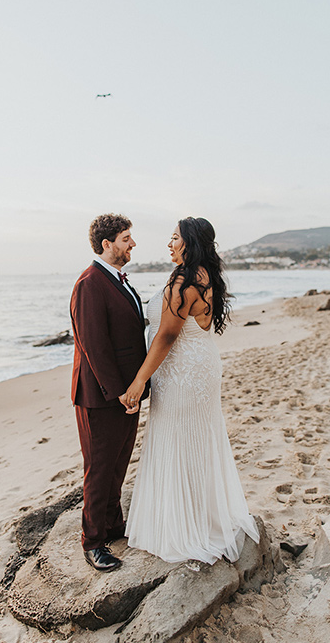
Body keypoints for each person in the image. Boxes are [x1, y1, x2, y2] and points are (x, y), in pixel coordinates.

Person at [120, 217, 259, 564]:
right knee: (195, 438)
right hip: (198, 366)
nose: (169, 245)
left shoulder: (185, 279)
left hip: (184, 373)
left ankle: (187, 526)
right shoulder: (203, 274)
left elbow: (167, 335)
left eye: (174, 239)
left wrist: (138, 381)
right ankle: (200, 515)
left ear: (190, 243)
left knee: (180, 438)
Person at [70, 213, 149, 572]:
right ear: (107, 244)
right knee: (99, 467)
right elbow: (94, 346)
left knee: (119, 462)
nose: (132, 243)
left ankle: (114, 525)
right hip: (101, 395)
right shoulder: (89, 284)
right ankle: (93, 541)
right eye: (126, 238)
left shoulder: (119, 280)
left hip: (124, 393)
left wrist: (136, 388)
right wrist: (120, 392)